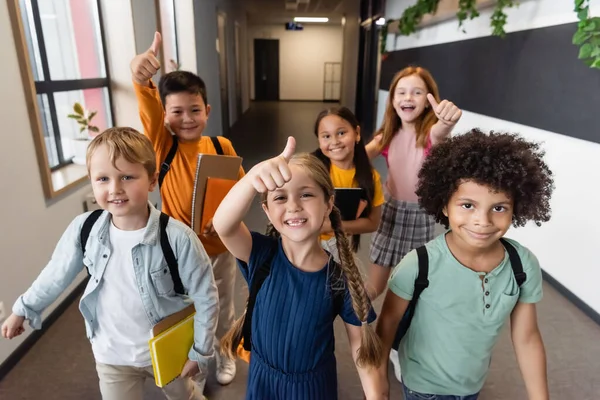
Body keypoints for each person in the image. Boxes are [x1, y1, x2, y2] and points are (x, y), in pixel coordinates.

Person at [2, 128, 219, 400]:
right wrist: (24, 308)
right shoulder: (85, 229)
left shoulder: (178, 238)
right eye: (103, 179)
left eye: (127, 177)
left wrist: (200, 351)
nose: (115, 189)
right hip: (111, 356)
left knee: (186, 397)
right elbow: (55, 275)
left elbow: (206, 297)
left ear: (152, 180)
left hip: (167, 349)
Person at [376, 129, 553, 399]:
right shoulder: (418, 265)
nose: (482, 221)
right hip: (423, 386)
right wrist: (378, 389)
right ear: (445, 205)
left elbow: (527, 337)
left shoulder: (522, 265)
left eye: (499, 207)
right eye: (468, 205)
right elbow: (386, 327)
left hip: (472, 384)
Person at [212, 137, 385, 399]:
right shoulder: (260, 254)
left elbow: (364, 353)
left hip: (312, 389)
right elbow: (223, 224)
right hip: (263, 382)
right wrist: (251, 178)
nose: (293, 206)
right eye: (280, 197)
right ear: (267, 211)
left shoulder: (339, 280)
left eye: (306, 194)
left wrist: (376, 396)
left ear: (328, 204)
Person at [130, 31, 243, 385]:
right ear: (165, 116)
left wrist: (225, 220)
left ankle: (224, 351)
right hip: (178, 253)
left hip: (221, 248)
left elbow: (240, 191)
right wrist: (140, 78)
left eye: (195, 110)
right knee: (184, 308)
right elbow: (148, 108)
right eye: (176, 112)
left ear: (206, 111)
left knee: (223, 307)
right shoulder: (163, 147)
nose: (187, 118)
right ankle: (190, 360)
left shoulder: (221, 146)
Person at [312, 106, 384, 261]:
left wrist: (330, 227)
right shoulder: (311, 172)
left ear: (357, 133)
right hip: (307, 245)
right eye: (326, 136)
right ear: (318, 140)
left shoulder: (371, 177)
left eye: (341, 133)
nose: (335, 142)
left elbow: (372, 223)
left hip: (341, 248)